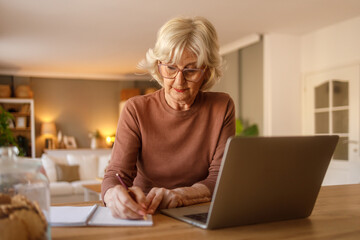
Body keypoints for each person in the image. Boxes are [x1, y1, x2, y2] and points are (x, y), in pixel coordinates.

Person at [101, 16, 235, 219]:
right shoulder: (135, 109)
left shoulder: (222, 106)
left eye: (191, 70)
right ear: (158, 66)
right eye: (171, 68)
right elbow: (115, 176)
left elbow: (219, 178)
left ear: (206, 72)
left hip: (197, 213)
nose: (179, 81)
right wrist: (114, 196)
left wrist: (181, 195)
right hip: (146, 213)